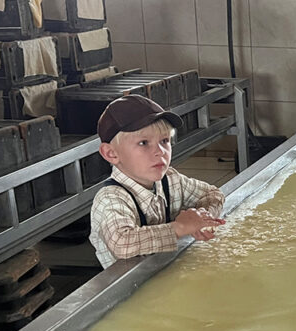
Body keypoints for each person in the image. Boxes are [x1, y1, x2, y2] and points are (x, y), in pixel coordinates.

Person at [89, 94, 227, 268]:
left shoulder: (170, 180)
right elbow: (122, 243)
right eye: (144, 143)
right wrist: (179, 228)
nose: (160, 151)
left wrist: (203, 219)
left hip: (164, 271)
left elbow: (213, 194)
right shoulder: (111, 198)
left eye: (164, 141)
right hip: (131, 287)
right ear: (111, 153)